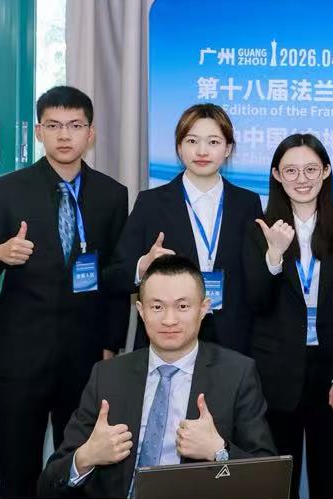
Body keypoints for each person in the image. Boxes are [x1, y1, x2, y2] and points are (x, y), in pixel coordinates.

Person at [0, 86, 131, 499]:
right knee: (17, 466)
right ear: (39, 131)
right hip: (20, 354)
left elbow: (116, 278)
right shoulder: (4, 190)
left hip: (85, 355)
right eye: (54, 125)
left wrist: (111, 346)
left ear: (90, 134)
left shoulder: (112, 195)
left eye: (75, 126)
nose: (64, 135)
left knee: (81, 464)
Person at [39, 256, 276, 498]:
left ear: (203, 308)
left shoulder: (236, 374)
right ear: (141, 311)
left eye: (182, 307)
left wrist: (219, 451)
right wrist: (86, 456)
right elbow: (49, 482)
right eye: (157, 307)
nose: (169, 320)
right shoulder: (107, 376)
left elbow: (269, 481)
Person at [242, 133, 333, 499]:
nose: (302, 179)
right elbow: (256, 303)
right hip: (276, 373)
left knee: (328, 484)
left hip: (330, 372)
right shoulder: (259, 230)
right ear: (276, 175)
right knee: (281, 487)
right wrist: (274, 257)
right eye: (291, 170)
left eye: (311, 169)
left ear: (326, 171)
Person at [110, 103, 263, 355]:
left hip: (233, 341)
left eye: (213, 142)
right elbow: (115, 274)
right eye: (192, 141)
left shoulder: (247, 203)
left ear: (228, 149)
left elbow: (257, 281)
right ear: (179, 147)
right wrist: (142, 267)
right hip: (167, 338)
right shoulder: (151, 203)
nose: (202, 151)